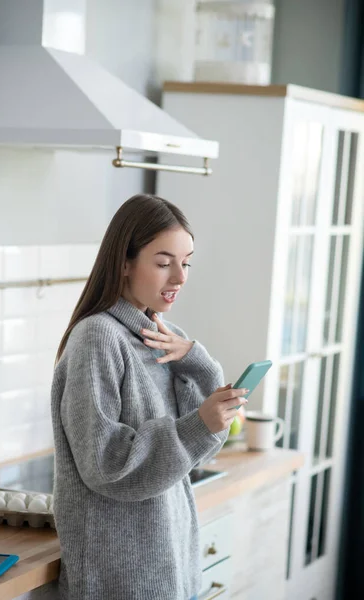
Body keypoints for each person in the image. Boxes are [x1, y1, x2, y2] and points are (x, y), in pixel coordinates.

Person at [51, 194, 249, 600]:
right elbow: (109, 466)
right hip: (120, 582)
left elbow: (200, 451)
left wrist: (196, 359)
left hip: (171, 566)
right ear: (124, 262)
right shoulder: (97, 338)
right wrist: (197, 427)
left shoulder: (157, 334)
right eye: (163, 263)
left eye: (186, 262)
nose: (179, 277)